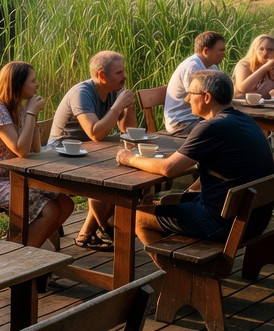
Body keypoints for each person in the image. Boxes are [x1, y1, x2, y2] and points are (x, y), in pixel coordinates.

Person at [117, 70, 274, 251]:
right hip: (254, 219)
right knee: (170, 200)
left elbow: (168, 168)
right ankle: (179, 259)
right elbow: (227, 167)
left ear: (206, 97)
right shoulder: (245, 119)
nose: (186, 100)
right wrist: (193, 187)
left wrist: (129, 158)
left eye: (190, 94)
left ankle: (174, 268)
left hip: (224, 223)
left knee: (140, 217)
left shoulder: (211, 126)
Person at [0, 61, 74, 248]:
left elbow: (35, 149)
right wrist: (30, 113)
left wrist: (31, 115)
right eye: (33, 81)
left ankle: (29, 246)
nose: (37, 84)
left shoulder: (19, 108)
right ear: (17, 85)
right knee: (50, 210)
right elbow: (21, 151)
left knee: (65, 203)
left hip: (11, 177)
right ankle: (21, 253)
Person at [47, 51, 136, 251]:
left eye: (124, 71)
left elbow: (127, 129)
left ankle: (89, 233)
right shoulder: (83, 93)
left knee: (127, 173)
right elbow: (95, 133)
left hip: (88, 152)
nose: (124, 76)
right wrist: (117, 107)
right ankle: (106, 228)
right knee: (106, 180)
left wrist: (128, 106)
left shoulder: (114, 90)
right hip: (60, 153)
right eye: (119, 73)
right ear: (101, 75)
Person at [164, 32, 226, 135]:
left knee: (228, 127)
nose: (224, 54)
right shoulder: (193, 66)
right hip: (181, 121)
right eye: (221, 50)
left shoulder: (212, 67)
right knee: (223, 131)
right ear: (206, 51)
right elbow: (199, 100)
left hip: (197, 118)